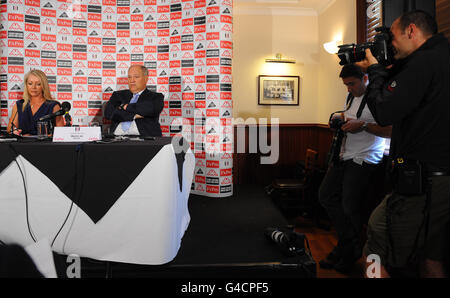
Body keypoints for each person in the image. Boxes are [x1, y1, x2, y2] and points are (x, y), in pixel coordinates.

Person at [356, 10, 450, 277]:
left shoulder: (423, 63)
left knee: (374, 251)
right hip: (437, 179)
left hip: (421, 182)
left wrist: (375, 71)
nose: (391, 45)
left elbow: (384, 112)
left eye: (393, 38)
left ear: (411, 31)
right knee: (431, 257)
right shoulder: (441, 56)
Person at [318, 64, 392, 273]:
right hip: (344, 155)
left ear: (366, 78)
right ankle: (347, 245)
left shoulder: (377, 98)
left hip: (365, 158)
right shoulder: (351, 96)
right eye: (346, 85)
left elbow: (391, 131)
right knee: (325, 195)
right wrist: (341, 118)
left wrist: (364, 126)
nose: (348, 88)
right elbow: (350, 116)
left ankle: (350, 249)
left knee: (350, 206)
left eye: (352, 83)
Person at [104, 65, 164, 136]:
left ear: (146, 78)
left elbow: (150, 109)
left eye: (136, 77)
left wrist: (125, 107)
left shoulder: (156, 97)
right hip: (116, 138)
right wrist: (134, 116)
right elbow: (108, 113)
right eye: (129, 77)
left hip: (145, 139)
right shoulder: (118, 95)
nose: (132, 80)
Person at [7, 69, 64, 136]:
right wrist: (15, 132)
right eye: (30, 84)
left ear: (43, 86)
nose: (33, 87)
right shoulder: (19, 105)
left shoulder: (53, 106)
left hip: (44, 145)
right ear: (26, 85)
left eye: (38, 84)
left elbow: (61, 134)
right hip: (22, 145)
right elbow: (10, 130)